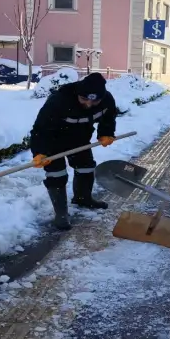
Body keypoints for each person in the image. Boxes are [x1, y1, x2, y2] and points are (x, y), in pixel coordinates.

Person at [30, 73, 117, 231]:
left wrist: (106, 133)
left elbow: (109, 117)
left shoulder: (106, 100)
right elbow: (40, 129)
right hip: (53, 141)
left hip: (79, 140)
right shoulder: (58, 101)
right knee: (56, 174)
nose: (89, 104)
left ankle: (83, 198)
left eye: (94, 101)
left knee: (86, 168)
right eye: (84, 99)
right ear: (78, 93)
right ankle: (61, 214)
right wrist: (40, 152)